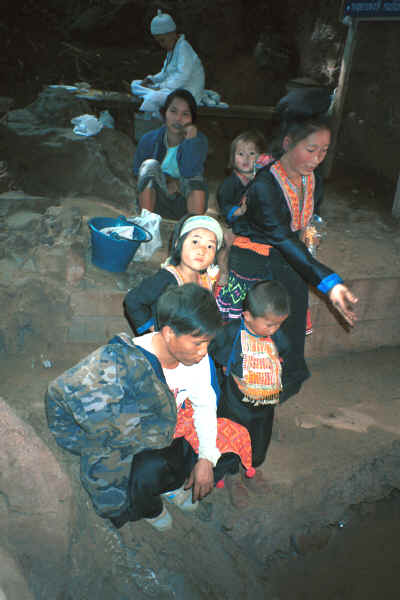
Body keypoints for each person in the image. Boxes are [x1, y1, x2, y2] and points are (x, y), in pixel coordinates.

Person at [46, 284, 251, 532]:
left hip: (165, 428)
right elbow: (105, 439)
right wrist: (115, 507)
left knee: (223, 443)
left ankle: (170, 487)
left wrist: (206, 459)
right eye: (198, 343)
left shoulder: (196, 360)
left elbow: (205, 406)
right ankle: (150, 507)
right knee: (146, 472)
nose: (204, 353)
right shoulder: (125, 367)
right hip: (132, 438)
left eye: (207, 343)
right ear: (168, 333)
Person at [216, 89, 358, 404]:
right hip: (255, 259)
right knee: (256, 318)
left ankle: (290, 376)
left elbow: (300, 225)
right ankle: (240, 378)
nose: (318, 158)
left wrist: (309, 234)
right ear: (287, 145)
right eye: (311, 149)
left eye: (324, 150)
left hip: (288, 254)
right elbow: (279, 236)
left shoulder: (314, 179)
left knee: (293, 313)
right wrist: (329, 282)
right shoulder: (265, 186)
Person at [210, 281, 290, 507]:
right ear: (247, 316)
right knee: (233, 438)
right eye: (269, 325)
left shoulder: (275, 335)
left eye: (278, 324)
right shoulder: (231, 332)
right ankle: (233, 475)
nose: (274, 330)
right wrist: (227, 364)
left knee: (259, 437)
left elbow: (285, 349)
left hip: (265, 403)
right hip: (235, 404)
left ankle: (251, 469)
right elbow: (213, 349)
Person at [124, 215, 223, 334]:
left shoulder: (206, 279)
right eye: (195, 241)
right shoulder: (167, 278)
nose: (202, 250)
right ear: (178, 244)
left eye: (210, 246)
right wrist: (151, 330)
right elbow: (133, 300)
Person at [133, 88, 208, 219]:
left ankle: (193, 225)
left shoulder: (199, 141)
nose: (178, 119)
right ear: (165, 113)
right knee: (149, 165)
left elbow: (191, 171)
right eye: (173, 111)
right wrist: (167, 180)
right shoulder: (149, 140)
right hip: (156, 201)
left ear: (192, 119)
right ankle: (147, 223)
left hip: (184, 203)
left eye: (185, 114)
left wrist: (190, 140)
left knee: (196, 177)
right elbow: (139, 175)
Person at [216, 130, 272, 288]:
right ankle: (224, 270)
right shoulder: (230, 184)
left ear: (261, 157)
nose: (246, 158)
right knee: (226, 242)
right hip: (236, 223)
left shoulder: (263, 179)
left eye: (252, 153)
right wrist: (237, 211)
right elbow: (224, 203)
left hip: (257, 223)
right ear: (233, 158)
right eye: (240, 154)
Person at [131, 10, 205, 115]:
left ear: (172, 34)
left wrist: (160, 87)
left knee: (154, 96)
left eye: (162, 40)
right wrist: (152, 80)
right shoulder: (172, 50)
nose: (161, 44)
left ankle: (150, 97)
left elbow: (182, 76)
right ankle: (149, 93)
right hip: (172, 90)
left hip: (188, 94)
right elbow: (165, 73)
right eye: (159, 41)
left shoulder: (184, 48)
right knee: (135, 83)